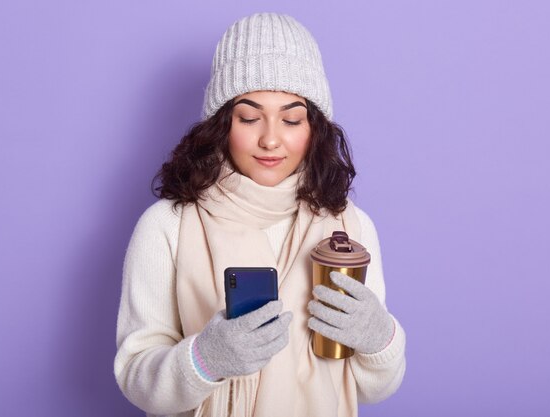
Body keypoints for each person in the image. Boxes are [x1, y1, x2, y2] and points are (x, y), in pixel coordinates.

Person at [114, 12, 406, 417]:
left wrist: (380, 339)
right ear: (221, 124)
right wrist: (204, 359)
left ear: (314, 128)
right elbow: (136, 377)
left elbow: (375, 389)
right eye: (249, 118)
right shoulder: (168, 225)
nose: (270, 138)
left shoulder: (350, 227)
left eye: (291, 119)